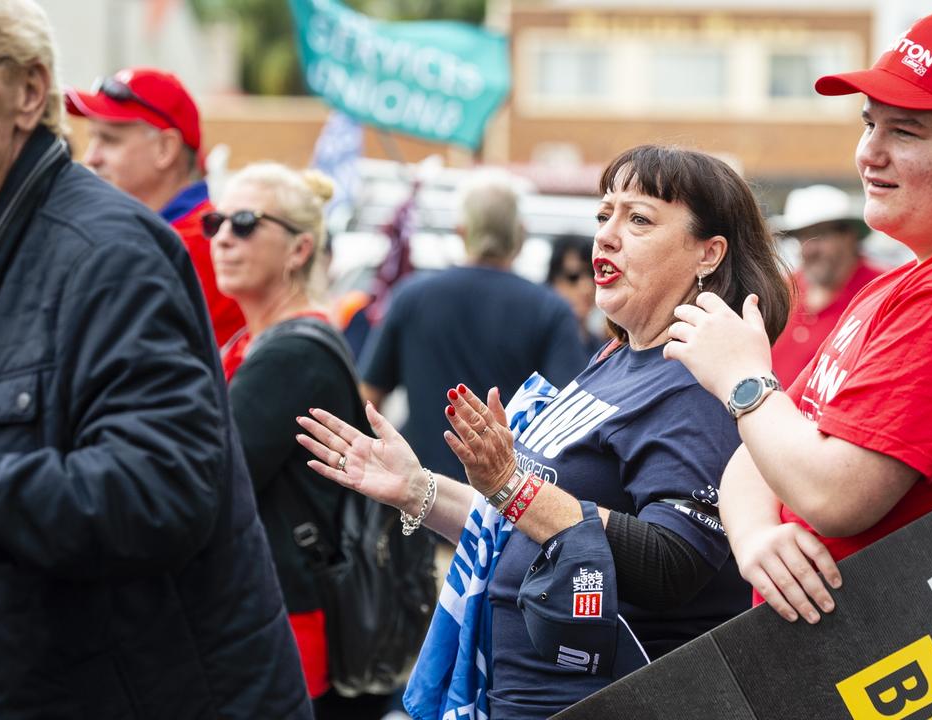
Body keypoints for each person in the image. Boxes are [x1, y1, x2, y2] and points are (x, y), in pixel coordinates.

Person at [297, 145, 791, 717]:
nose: (606, 236)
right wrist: (418, 489)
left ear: (709, 253)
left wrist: (509, 482)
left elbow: (670, 563)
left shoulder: (696, 380)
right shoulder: (615, 358)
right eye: (603, 215)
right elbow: (525, 531)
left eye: (638, 219)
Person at [665, 11, 932, 624]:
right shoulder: (916, 279)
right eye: (869, 124)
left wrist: (743, 379)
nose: (869, 153)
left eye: (905, 133)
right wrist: (756, 538)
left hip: (920, 669)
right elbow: (754, 458)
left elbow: (833, 494)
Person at [0, 2, 309, 716]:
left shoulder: (112, 254)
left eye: (116, 134)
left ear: (27, 91)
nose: (230, 240)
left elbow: (163, 487)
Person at [207, 162, 400, 717]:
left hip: (287, 617)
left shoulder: (291, 352)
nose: (222, 236)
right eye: (216, 221)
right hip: (279, 608)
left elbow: (212, 480)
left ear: (299, 249)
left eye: (244, 222)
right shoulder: (266, 340)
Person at [358, 171, 588, 482]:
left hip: (420, 494)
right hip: (505, 503)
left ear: (461, 231)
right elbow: (568, 417)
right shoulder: (550, 309)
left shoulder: (412, 296)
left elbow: (368, 399)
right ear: (520, 234)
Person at [64, 65, 244, 347]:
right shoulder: (180, 234)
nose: (91, 158)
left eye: (109, 140)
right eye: (92, 138)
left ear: (165, 149)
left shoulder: (198, 244)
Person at [768, 184, 882, 387]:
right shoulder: (783, 290)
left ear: (849, 236)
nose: (809, 249)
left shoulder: (882, 291)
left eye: (819, 235)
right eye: (801, 237)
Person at [545, 233, 610, 356]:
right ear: (553, 280)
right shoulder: (535, 344)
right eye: (573, 277)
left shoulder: (606, 351)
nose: (587, 287)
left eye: (594, 274)